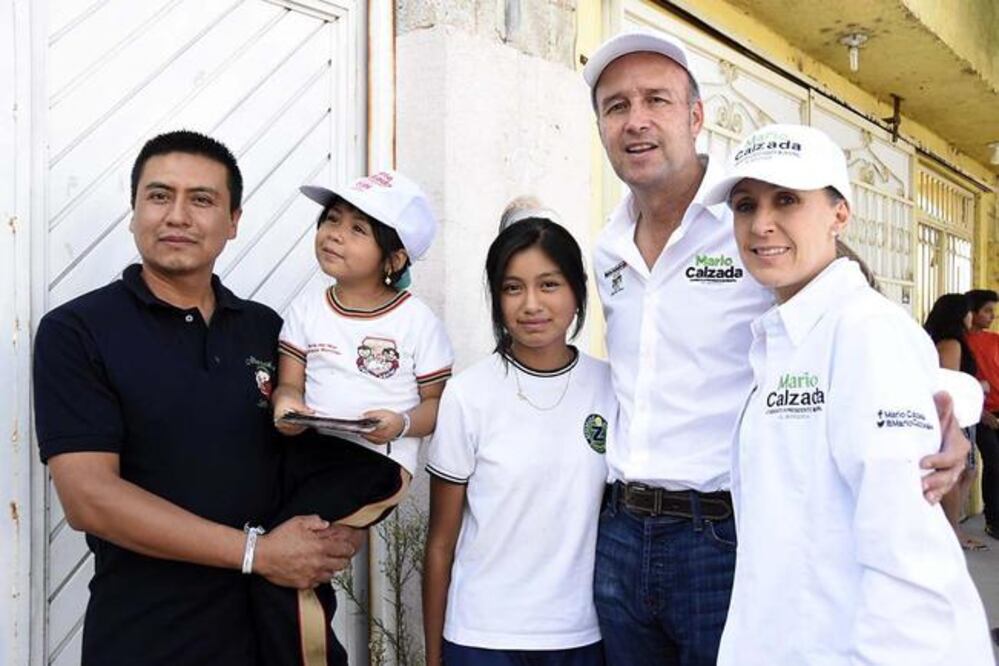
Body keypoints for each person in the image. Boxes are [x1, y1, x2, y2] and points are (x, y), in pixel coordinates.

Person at [581, 30, 971, 665]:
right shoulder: (607, 246)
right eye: (616, 106)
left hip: (722, 534)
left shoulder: (755, 231)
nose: (637, 121)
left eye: (657, 100)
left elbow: (865, 325)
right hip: (622, 529)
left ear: (697, 116)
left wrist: (949, 417)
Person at [32, 130, 364, 665]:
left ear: (234, 221)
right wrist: (258, 554)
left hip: (273, 637)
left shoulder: (267, 330)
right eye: (159, 196)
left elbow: (312, 460)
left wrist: (340, 531)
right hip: (146, 641)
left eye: (202, 200)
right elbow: (89, 498)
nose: (177, 215)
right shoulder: (78, 331)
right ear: (135, 211)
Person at [707, 122, 991, 665]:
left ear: (840, 215)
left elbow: (904, 551)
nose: (761, 224)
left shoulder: (865, 330)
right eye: (745, 205)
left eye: (786, 200)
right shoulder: (785, 336)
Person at [260, 171, 453, 664]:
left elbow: (437, 405)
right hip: (309, 450)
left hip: (375, 465)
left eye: (357, 229)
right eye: (331, 220)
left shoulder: (416, 321)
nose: (334, 234)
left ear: (394, 258)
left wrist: (402, 424)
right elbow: (289, 384)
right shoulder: (306, 309)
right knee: (271, 554)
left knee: (294, 557)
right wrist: (286, 409)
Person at [422, 207, 614, 666]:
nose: (531, 304)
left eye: (549, 284)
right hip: (481, 636)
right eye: (513, 288)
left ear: (577, 292)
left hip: (579, 635)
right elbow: (441, 542)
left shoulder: (611, 388)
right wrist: (433, 656)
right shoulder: (468, 395)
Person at [925, 293, 986, 550]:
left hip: (949, 416)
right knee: (961, 471)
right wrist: (979, 386)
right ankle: (952, 530)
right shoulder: (952, 343)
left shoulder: (934, 339)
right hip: (955, 418)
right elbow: (948, 385)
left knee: (963, 471)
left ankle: (950, 528)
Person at [966, 288, 999, 539]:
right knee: (994, 462)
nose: (992, 316)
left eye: (993, 311)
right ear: (972, 312)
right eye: (987, 311)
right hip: (980, 412)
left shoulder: (995, 340)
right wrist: (980, 411)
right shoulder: (960, 343)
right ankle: (993, 519)